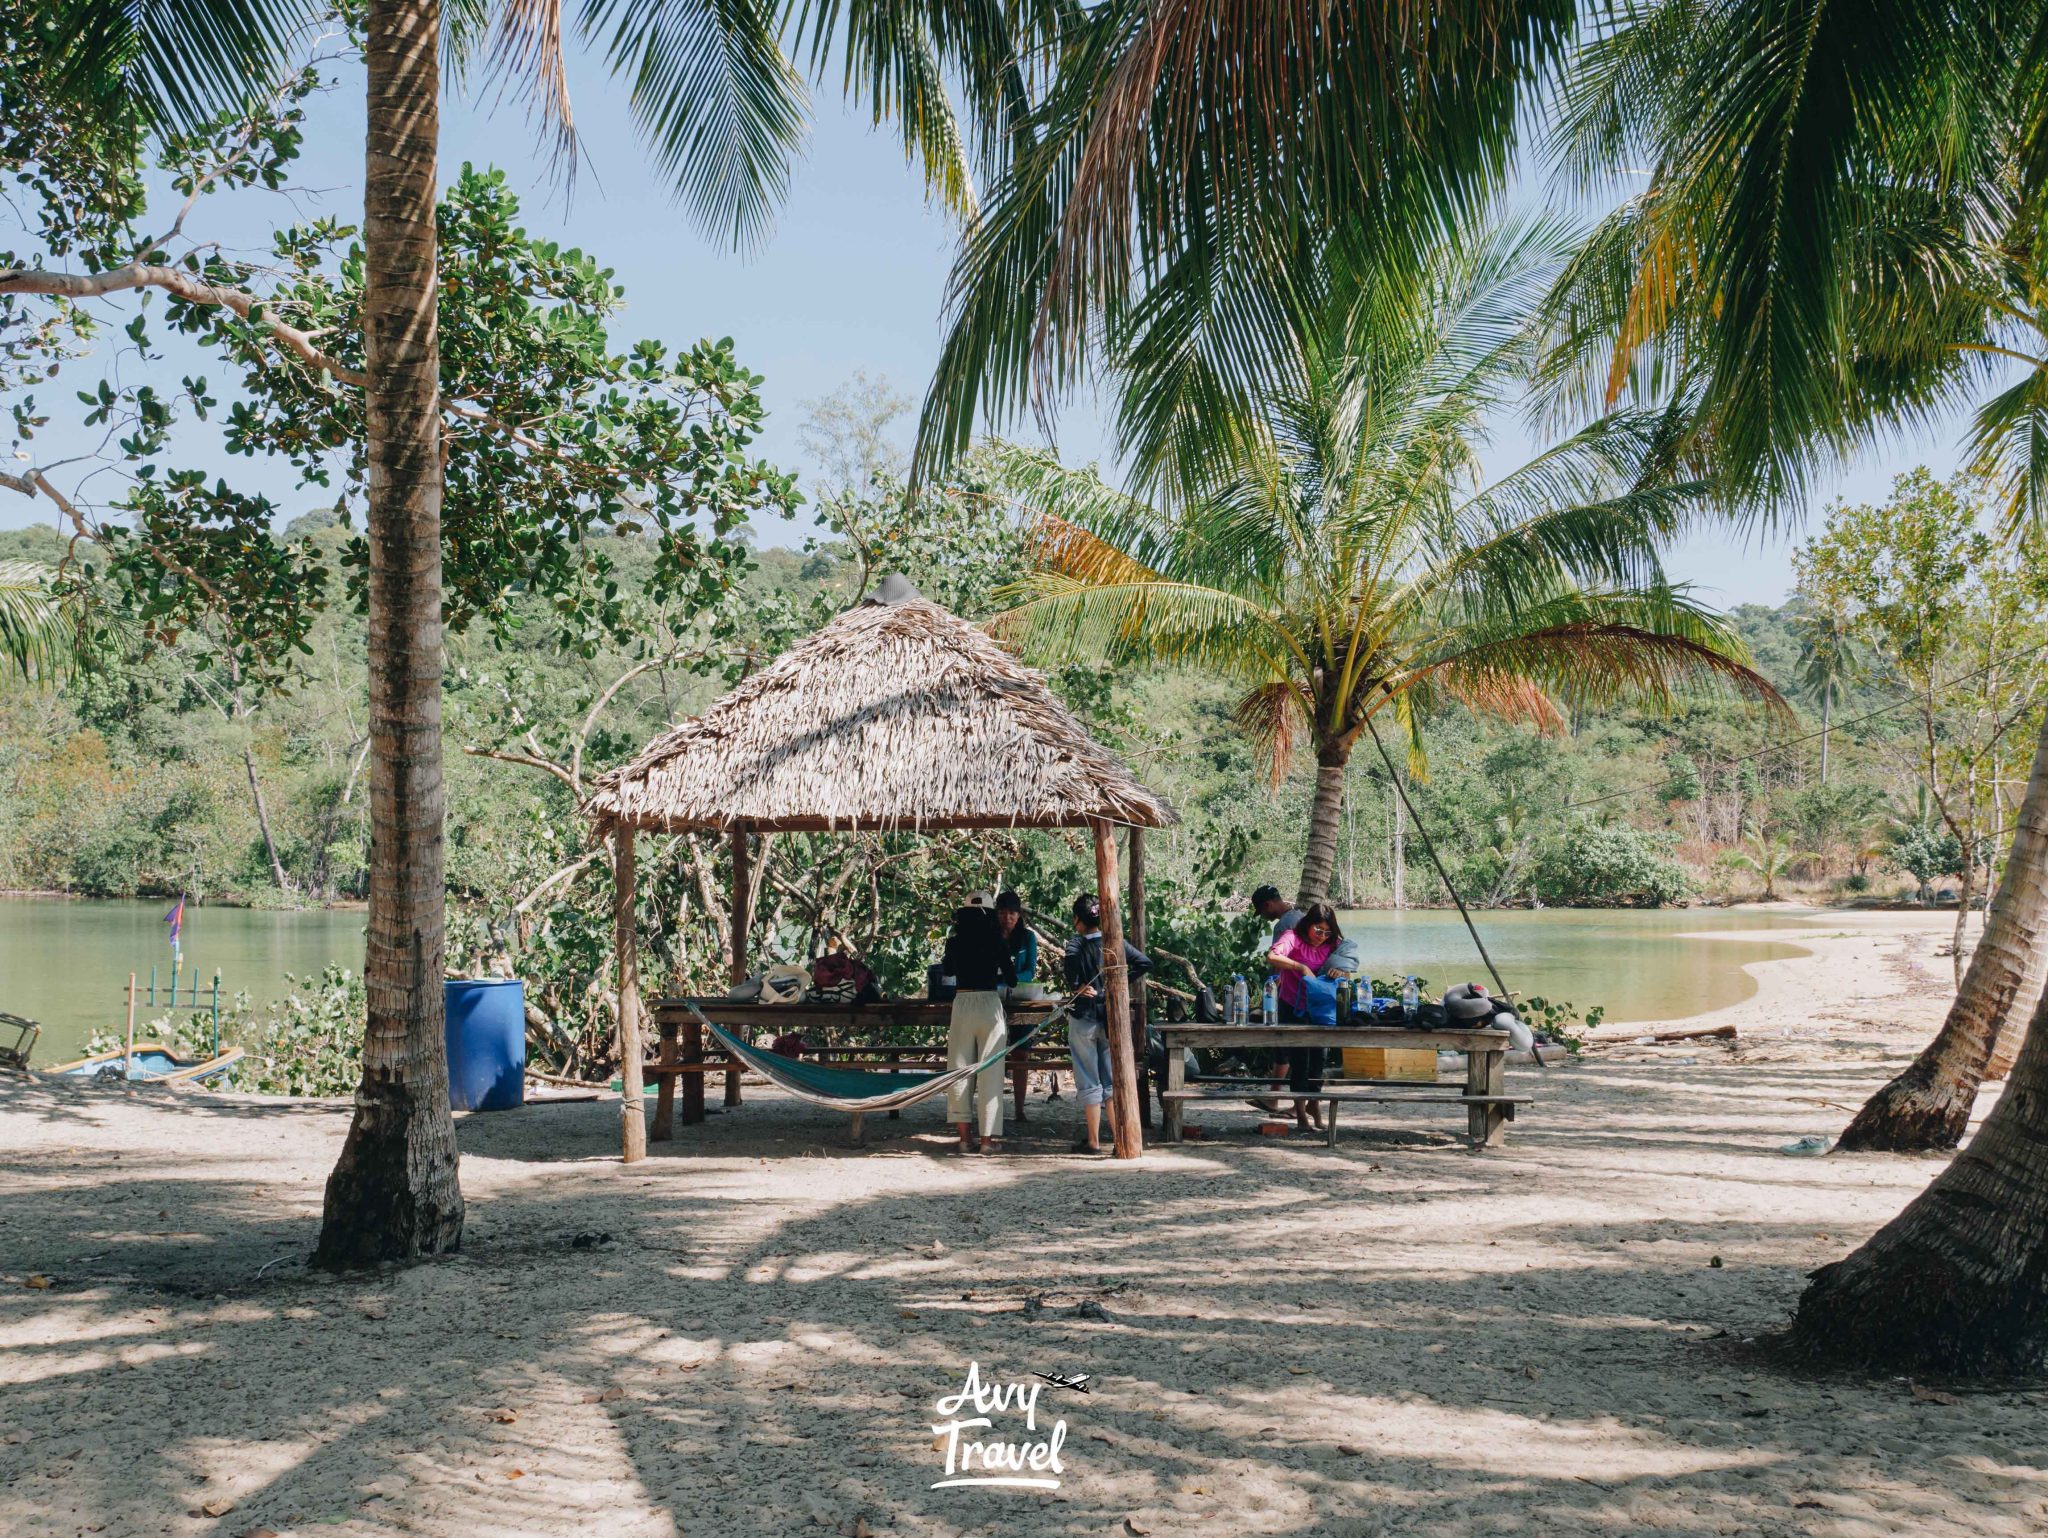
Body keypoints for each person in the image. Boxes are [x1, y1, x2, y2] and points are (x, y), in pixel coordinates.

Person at [1062, 892, 1152, 1153]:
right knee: (1110, 1081)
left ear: (1078, 919)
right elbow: (1144, 962)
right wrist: (1116, 984)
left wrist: (1079, 986)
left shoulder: (1075, 945)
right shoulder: (1115, 942)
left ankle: (1093, 1141)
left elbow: (1070, 973)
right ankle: (1118, 1139)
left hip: (1084, 1018)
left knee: (1088, 1079)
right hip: (1110, 1018)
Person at [943, 891, 1016, 1153]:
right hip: (989, 1004)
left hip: (962, 1003)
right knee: (991, 1073)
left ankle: (964, 1139)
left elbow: (948, 970)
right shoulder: (997, 940)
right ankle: (987, 1141)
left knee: (959, 1071)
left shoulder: (954, 942)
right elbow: (1012, 979)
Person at [1265, 903, 1342, 1131]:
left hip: (1320, 1010)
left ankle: (1314, 1105)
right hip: (1292, 1006)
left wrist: (1339, 970)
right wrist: (1299, 967)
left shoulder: (1332, 944)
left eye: (1327, 932)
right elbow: (1273, 956)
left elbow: (1347, 967)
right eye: (1318, 930)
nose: (1322, 936)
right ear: (1308, 924)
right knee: (1300, 1061)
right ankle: (1300, 1115)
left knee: (1319, 1060)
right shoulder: (1292, 937)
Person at [994, 891, 1038, 985]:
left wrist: (1010, 980)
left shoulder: (1028, 937)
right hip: (992, 992)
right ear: (996, 914)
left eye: (1011, 913)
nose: (1007, 917)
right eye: (1002, 913)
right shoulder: (989, 937)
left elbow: (1030, 972)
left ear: (1018, 915)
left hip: (1018, 991)